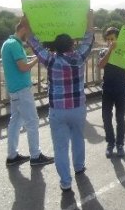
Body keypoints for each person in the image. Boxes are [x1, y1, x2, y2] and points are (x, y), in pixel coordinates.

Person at [26, 11, 95, 192]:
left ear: (56, 47)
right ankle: (79, 167)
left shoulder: (50, 60)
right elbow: (89, 38)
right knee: (78, 138)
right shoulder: (80, 58)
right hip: (78, 108)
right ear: (72, 45)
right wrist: (89, 20)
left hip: (58, 110)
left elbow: (33, 43)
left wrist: (27, 24)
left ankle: (65, 182)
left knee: (60, 147)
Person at [1, 19, 54, 167]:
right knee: (32, 121)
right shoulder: (14, 45)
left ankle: (12, 156)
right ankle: (36, 156)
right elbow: (23, 68)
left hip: (14, 90)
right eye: (29, 31)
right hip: (22, 90)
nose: (29, 35)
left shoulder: (8, 44)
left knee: (15, 122)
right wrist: (37, 58)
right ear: (23, 28)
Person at [98, 27, 125, 158]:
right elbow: (101, 64)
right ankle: (110, 143)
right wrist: (110, 50)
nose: (110, 41)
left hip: (121, 89)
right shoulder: (103, 51)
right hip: (107, 89)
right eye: (108, 39)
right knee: (106, 118)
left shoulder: (124, 52)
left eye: (113, 39)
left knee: (120, 118)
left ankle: (120, 144)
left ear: (118, 39)